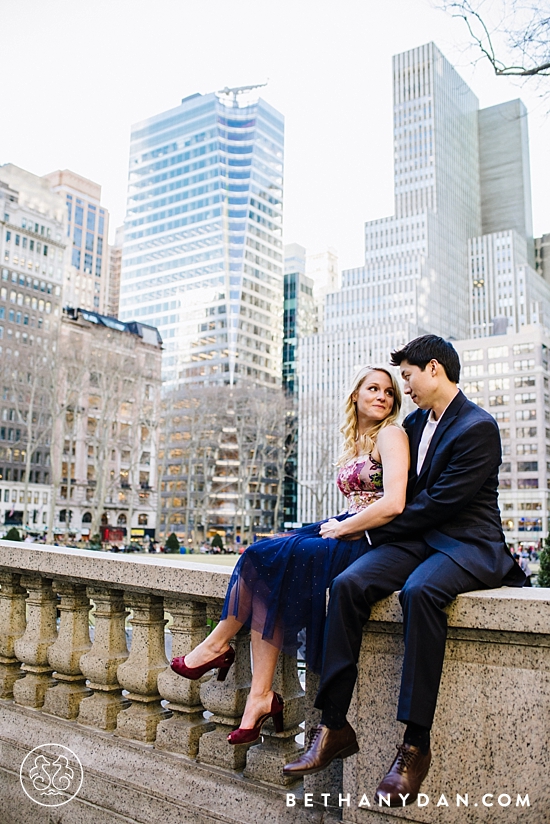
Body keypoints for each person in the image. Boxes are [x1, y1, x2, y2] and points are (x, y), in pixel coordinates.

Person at [283, 335, 525, 804]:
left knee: (420, 593)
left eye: (408, 376)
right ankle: (332, 725)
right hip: (418, 540)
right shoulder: (414, 422)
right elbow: (388, 484)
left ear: (433, 369)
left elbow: (437, 506)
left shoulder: (478, 426)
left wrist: (365, 532)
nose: (404, 387)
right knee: (349, 584)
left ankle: (414, 747)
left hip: (468, 544)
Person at [170, 366, 409, 744]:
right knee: (265, 568)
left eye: (389, 392)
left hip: (367, 540)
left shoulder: (392, 435)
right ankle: (259, 697)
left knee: (264, 558)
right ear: (355, 396)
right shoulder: (357, 440)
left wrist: (344, 528)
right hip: (344, 527)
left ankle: (216, 647)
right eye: (373, 389)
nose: (382, 396)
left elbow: (395, 503)